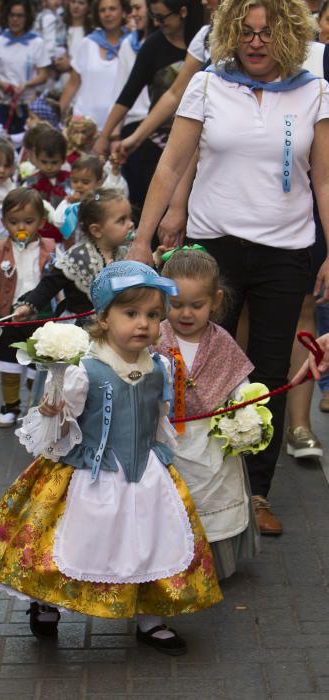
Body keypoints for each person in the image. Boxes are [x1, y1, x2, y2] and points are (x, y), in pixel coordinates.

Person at [130, 0, 329, 536]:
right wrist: (143, 239)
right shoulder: (208, 85)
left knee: (263, 376)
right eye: (246, 31)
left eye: (267, 32)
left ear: (287, 34)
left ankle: (256, 492)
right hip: (213, 248)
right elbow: (171, 163)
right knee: (193, 372)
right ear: (228, 34)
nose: (257, 41)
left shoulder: (314, 90)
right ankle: (193, 487)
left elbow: (325, 180)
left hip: (286, 251)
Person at [0, 260, 222, 654]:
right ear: (103, 319)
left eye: (154, 315)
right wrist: (54, 412)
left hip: (145, 472)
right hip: (91, 471)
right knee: (71, 539)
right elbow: (60, 420)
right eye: (132, 313)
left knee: (150, 539)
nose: (144, 324)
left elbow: (158, 421)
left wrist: (165, 456)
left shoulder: (159, 366)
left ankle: (151, 617)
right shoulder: (85, 369)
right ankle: (46, 600)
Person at [153, 247, 261, 579]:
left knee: (212, 497)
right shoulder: (155, 337)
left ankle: (210, 565)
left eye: (196, 305)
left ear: (215, 301)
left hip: (210, 441)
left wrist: (244, 410)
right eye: (177, 305)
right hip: (167, 437)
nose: (186, 313)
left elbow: (238, 381)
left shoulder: (222, 341)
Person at [93, 0, 204, 211]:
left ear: (182, 11)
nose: (156, 22)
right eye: (153, 16)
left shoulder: (203, 42)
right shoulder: (153, 46)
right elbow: (128, 94)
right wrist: (105, 135)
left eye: (162, 17)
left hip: (198, 146)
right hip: (157, 142)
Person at [0, 188, 56, 427]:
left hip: (41, 322)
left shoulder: (50, 250)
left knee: (37, 370)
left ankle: (36, 407)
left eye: (28, 222)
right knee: (9, 368)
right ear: (3, 223)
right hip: (8, 321)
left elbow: (59, 283)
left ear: (41, 222)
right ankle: (10, 405)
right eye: (13, 222)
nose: (21, 228)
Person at [13, 188, 131, 320]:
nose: (131, 224)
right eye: (122, 220)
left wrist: (156, 258)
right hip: (81, 327)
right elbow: (50, 284)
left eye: (130, 218)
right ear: (96, 230)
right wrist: (29, 306)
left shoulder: (126, 253)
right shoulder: (77, 256)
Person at [59, 0, 131, 131]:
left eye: (112, 9)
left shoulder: (132, 45)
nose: (107, 14)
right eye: (102, 10)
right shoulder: (87, 43)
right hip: (82, 125)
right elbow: (73, 84)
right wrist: (55, 116)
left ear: (124, 12)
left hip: (118, 127)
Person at [0, 0, 51, 134]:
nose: (15, 20)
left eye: (20, 16)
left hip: (28, 104)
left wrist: (26, 84)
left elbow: (43, 75)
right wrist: (2, 84)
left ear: (27, 18)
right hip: (1, 102)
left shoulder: (37, 42)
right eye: (12, 15)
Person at [24, 128, 69, 242]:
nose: (49, 167)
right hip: (39, 239)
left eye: (54, 162)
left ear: (63, 159)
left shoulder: (70, 180)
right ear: (36, 157)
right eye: (44, 162)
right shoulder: (30, 183)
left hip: (66, 238)